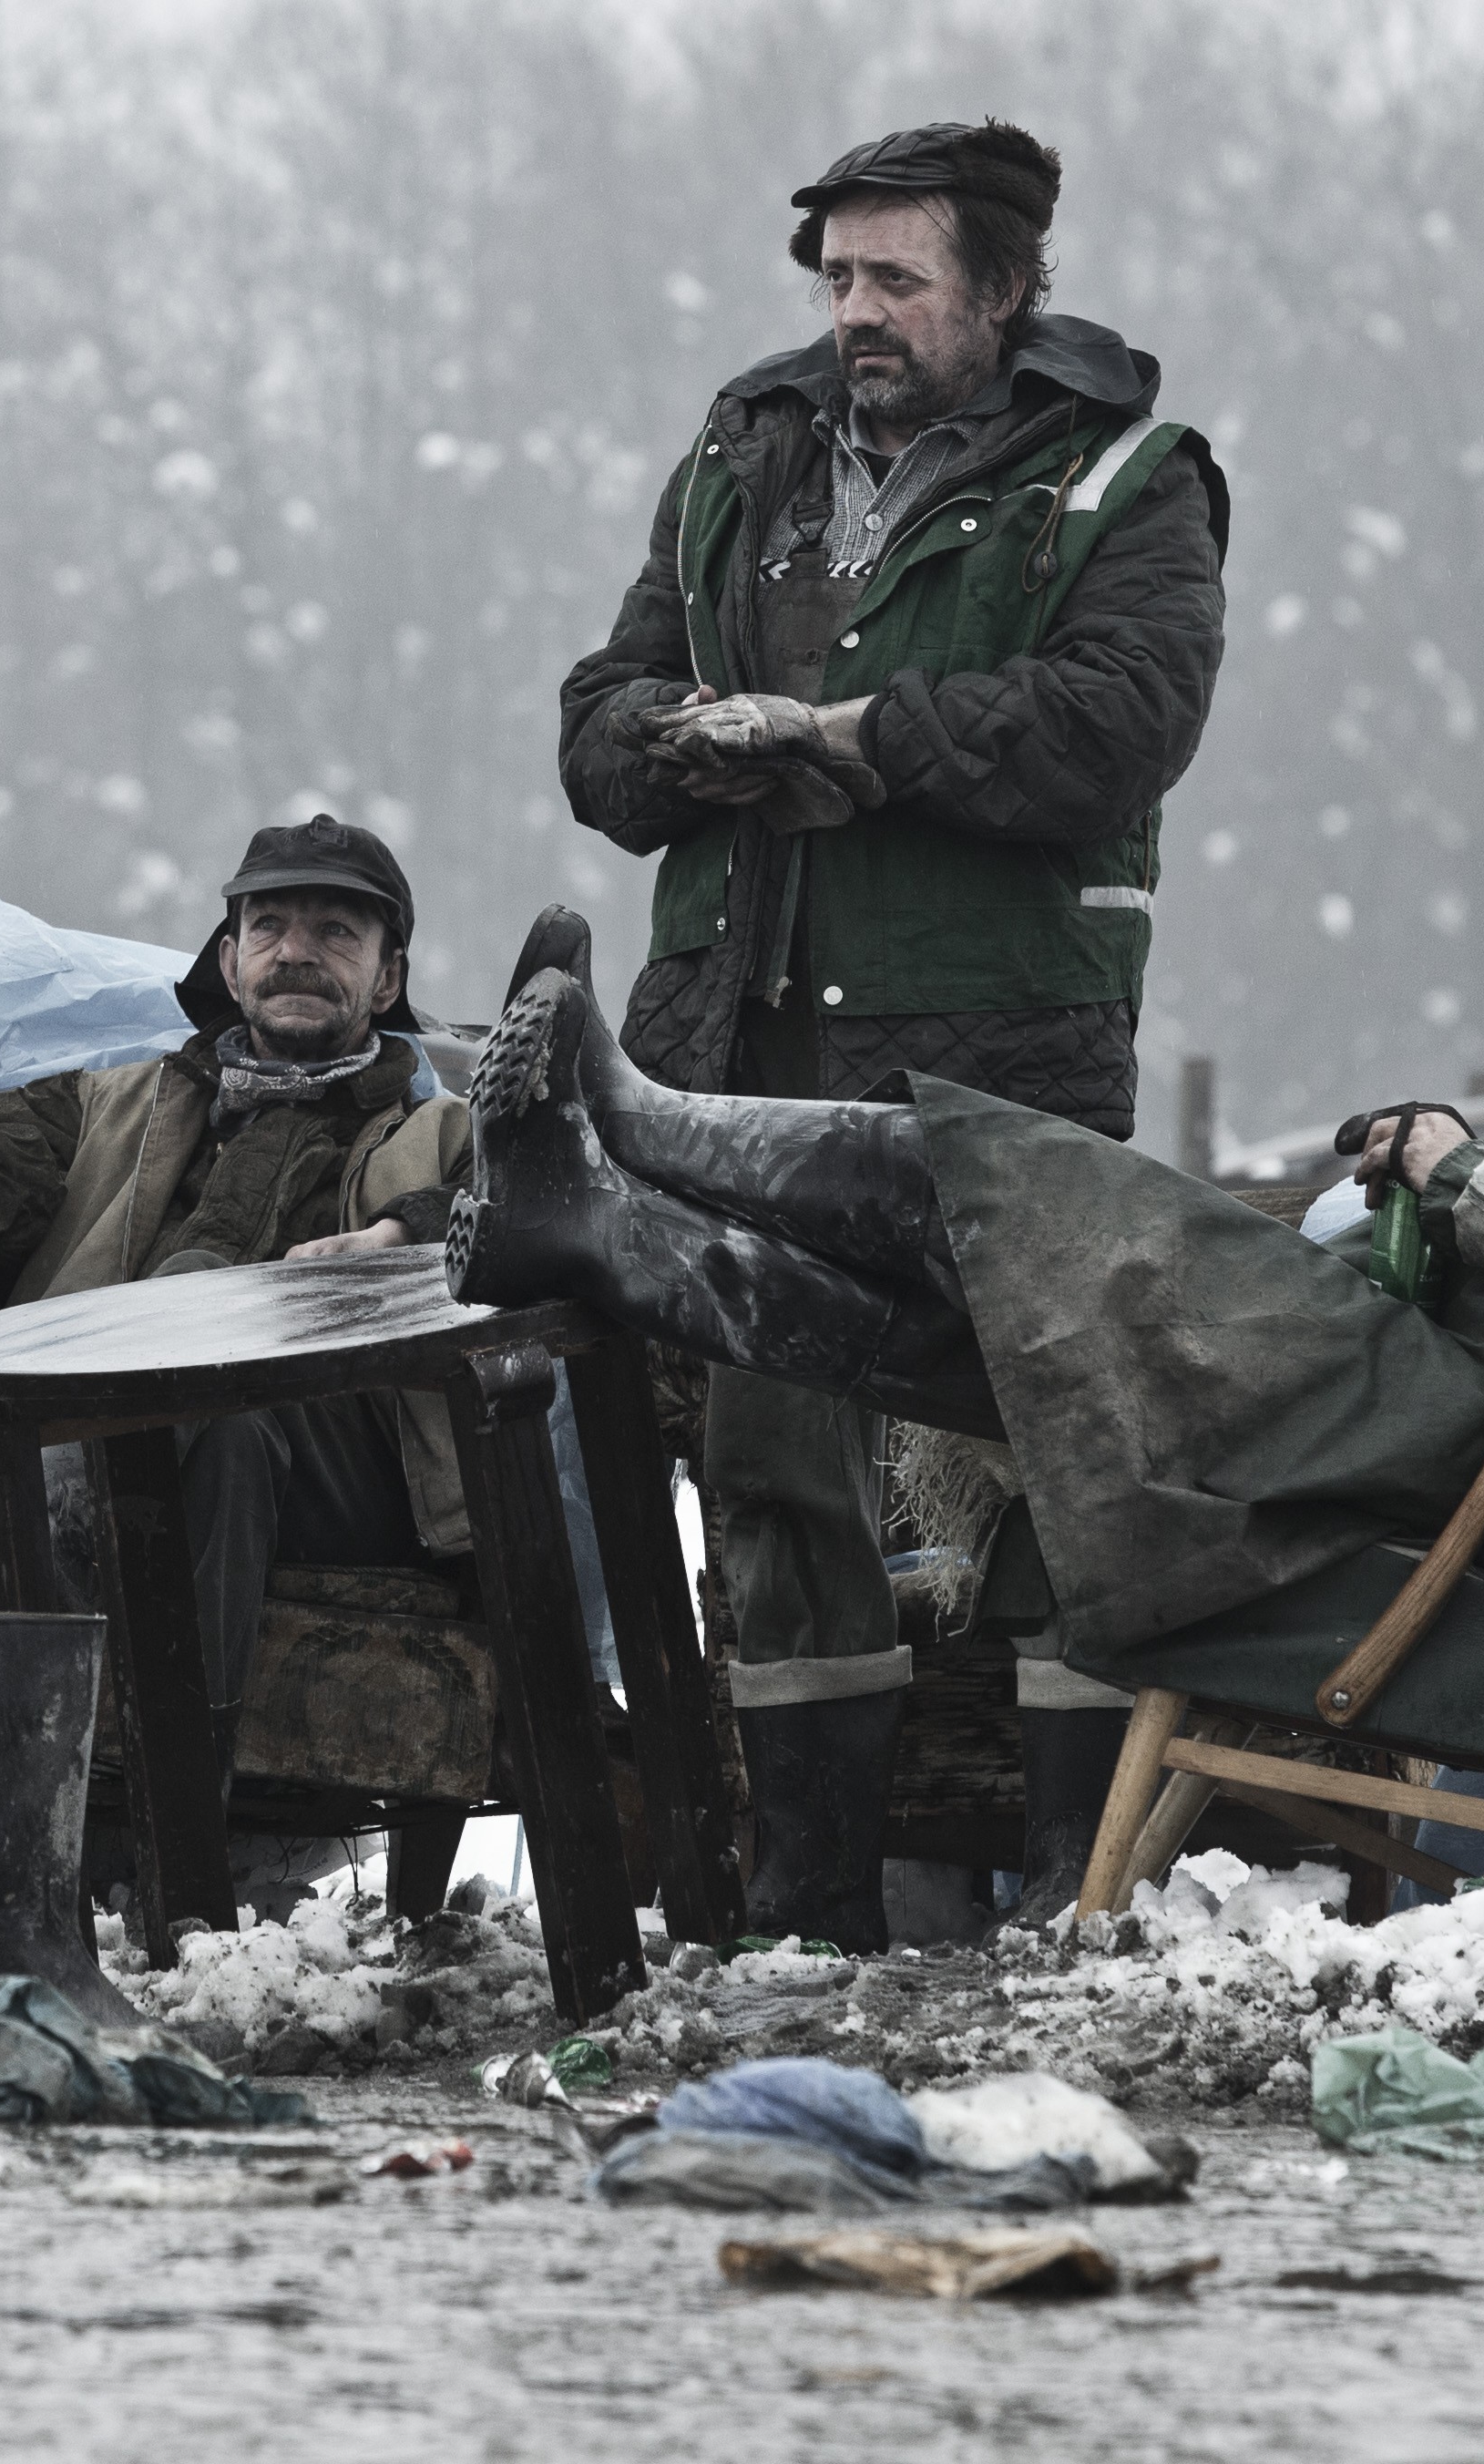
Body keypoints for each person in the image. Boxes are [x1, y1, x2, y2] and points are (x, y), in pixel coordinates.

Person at [455, 699, 1484, 1706]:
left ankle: (637, 1117)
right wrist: (1448, 1172)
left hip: (1471, 1413)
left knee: (1019, 1180)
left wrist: (1462, 1176)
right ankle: (600, 1230)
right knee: (1001, 1339)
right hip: (1466, 1394)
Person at [549, 118, 1226, 1944]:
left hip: (989, 1058)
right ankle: (808, 1907)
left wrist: (854, 741)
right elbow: (599, 715)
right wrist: (671, 745)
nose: (853, 311)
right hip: (742, 1039)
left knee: (1047, 1460)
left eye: (894, 279)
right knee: (773, 1478)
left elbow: (1114, 727)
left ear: (1000, 289)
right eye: (836, 276)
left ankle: (1071, 1893)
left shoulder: (1124, 475)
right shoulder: (742, 451)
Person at [0, 817, 475, 1772]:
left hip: (348, 1470)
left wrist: (402, 1232)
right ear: (230, 963)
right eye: (269, 927)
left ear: (386, 980)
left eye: (336, 932)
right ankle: (175, 1811)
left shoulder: (437, 1127)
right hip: (192, 1442)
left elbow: (515, 1204)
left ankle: (40, 1503)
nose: (296, 953)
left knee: (198, 1300)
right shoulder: (126, 1098)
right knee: (223, 1435)